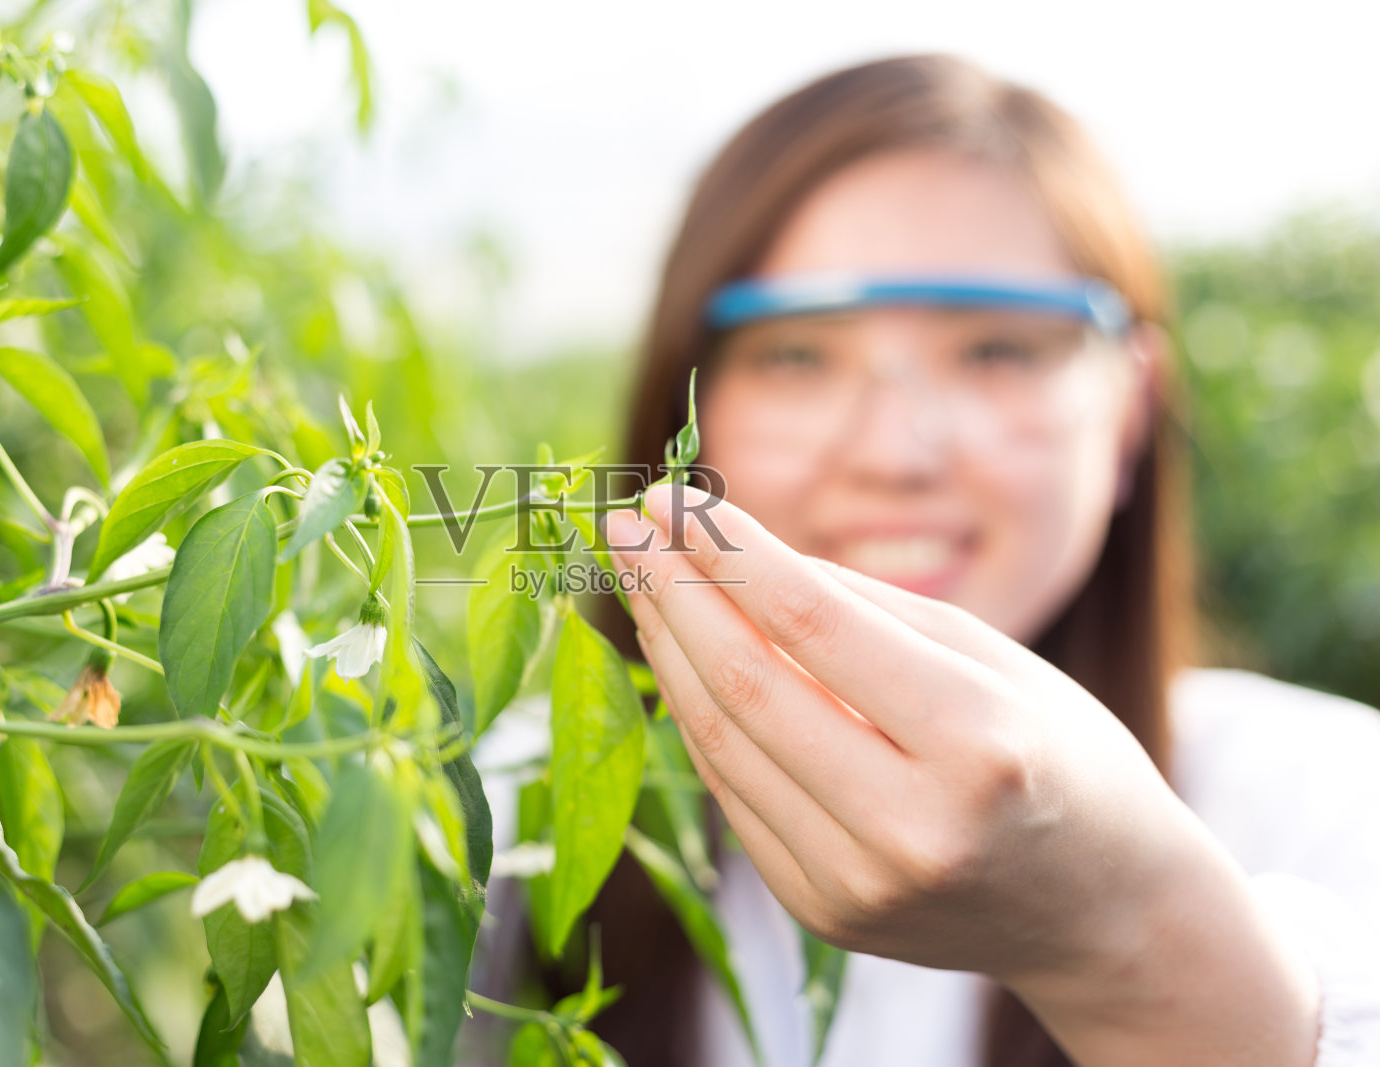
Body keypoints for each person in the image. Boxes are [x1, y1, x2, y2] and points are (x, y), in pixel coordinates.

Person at [557, 53, 1380, 1067]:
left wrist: (1132, 942)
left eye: (996, 351)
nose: (896, 453)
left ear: (1130, 410)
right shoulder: (506, 820)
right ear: (685, 414)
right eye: (798, 356)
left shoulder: (1334, 805)